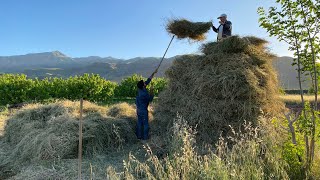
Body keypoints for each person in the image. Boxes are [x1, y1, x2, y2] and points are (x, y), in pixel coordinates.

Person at [135, 70, 157, 140]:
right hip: (143, 110)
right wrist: (152, 91)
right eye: (144, 83)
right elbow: (150, 99)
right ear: (143, 86)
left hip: (138, 109)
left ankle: (139, 136)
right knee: (145, 124)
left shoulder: (140, 89)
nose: (145, 82)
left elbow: (147, 81)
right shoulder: (144, 94)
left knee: (139, 123)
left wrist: (153, 74)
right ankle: (145, 138)